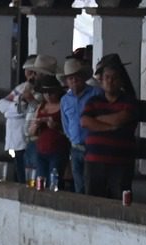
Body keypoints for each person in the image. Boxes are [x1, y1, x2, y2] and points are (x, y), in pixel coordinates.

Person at [79, 54, 140, 199]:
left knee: (120, 200)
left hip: (120, 161)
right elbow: (84, 121)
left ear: (120, 81)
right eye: (107, 77)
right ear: (101, 81)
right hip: (94, 159)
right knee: (92, 200)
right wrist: (108, 127)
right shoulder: (94, 100)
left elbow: (121, 119)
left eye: (114, 78)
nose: (110, 81)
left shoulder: (129, 101)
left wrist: (97, 120)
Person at [58, 56, 95, 192]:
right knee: (79, 184)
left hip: (91, 146)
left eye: (76, 77)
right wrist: (71, 137)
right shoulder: (65, 100)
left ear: (83, 77)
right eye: (70, 78)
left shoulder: (95, 94)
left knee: (90, 183)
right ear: (67, 81)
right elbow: (65, 123)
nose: (74, 81)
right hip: (75, 147)